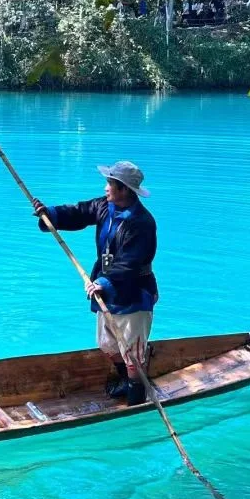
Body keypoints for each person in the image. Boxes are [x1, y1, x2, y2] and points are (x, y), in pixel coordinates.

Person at [31, 161, 157, 406]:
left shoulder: (142, 223)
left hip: (132, 292)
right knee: (107, 344)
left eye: (110, 183)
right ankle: (125, 380)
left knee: (132, 353)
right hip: (106, 287)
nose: (106, 187)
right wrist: (50, 214)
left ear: (124, 190)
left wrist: (104, 282)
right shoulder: (104, 205)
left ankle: (136, 399)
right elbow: (79, 212)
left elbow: (131, 262)